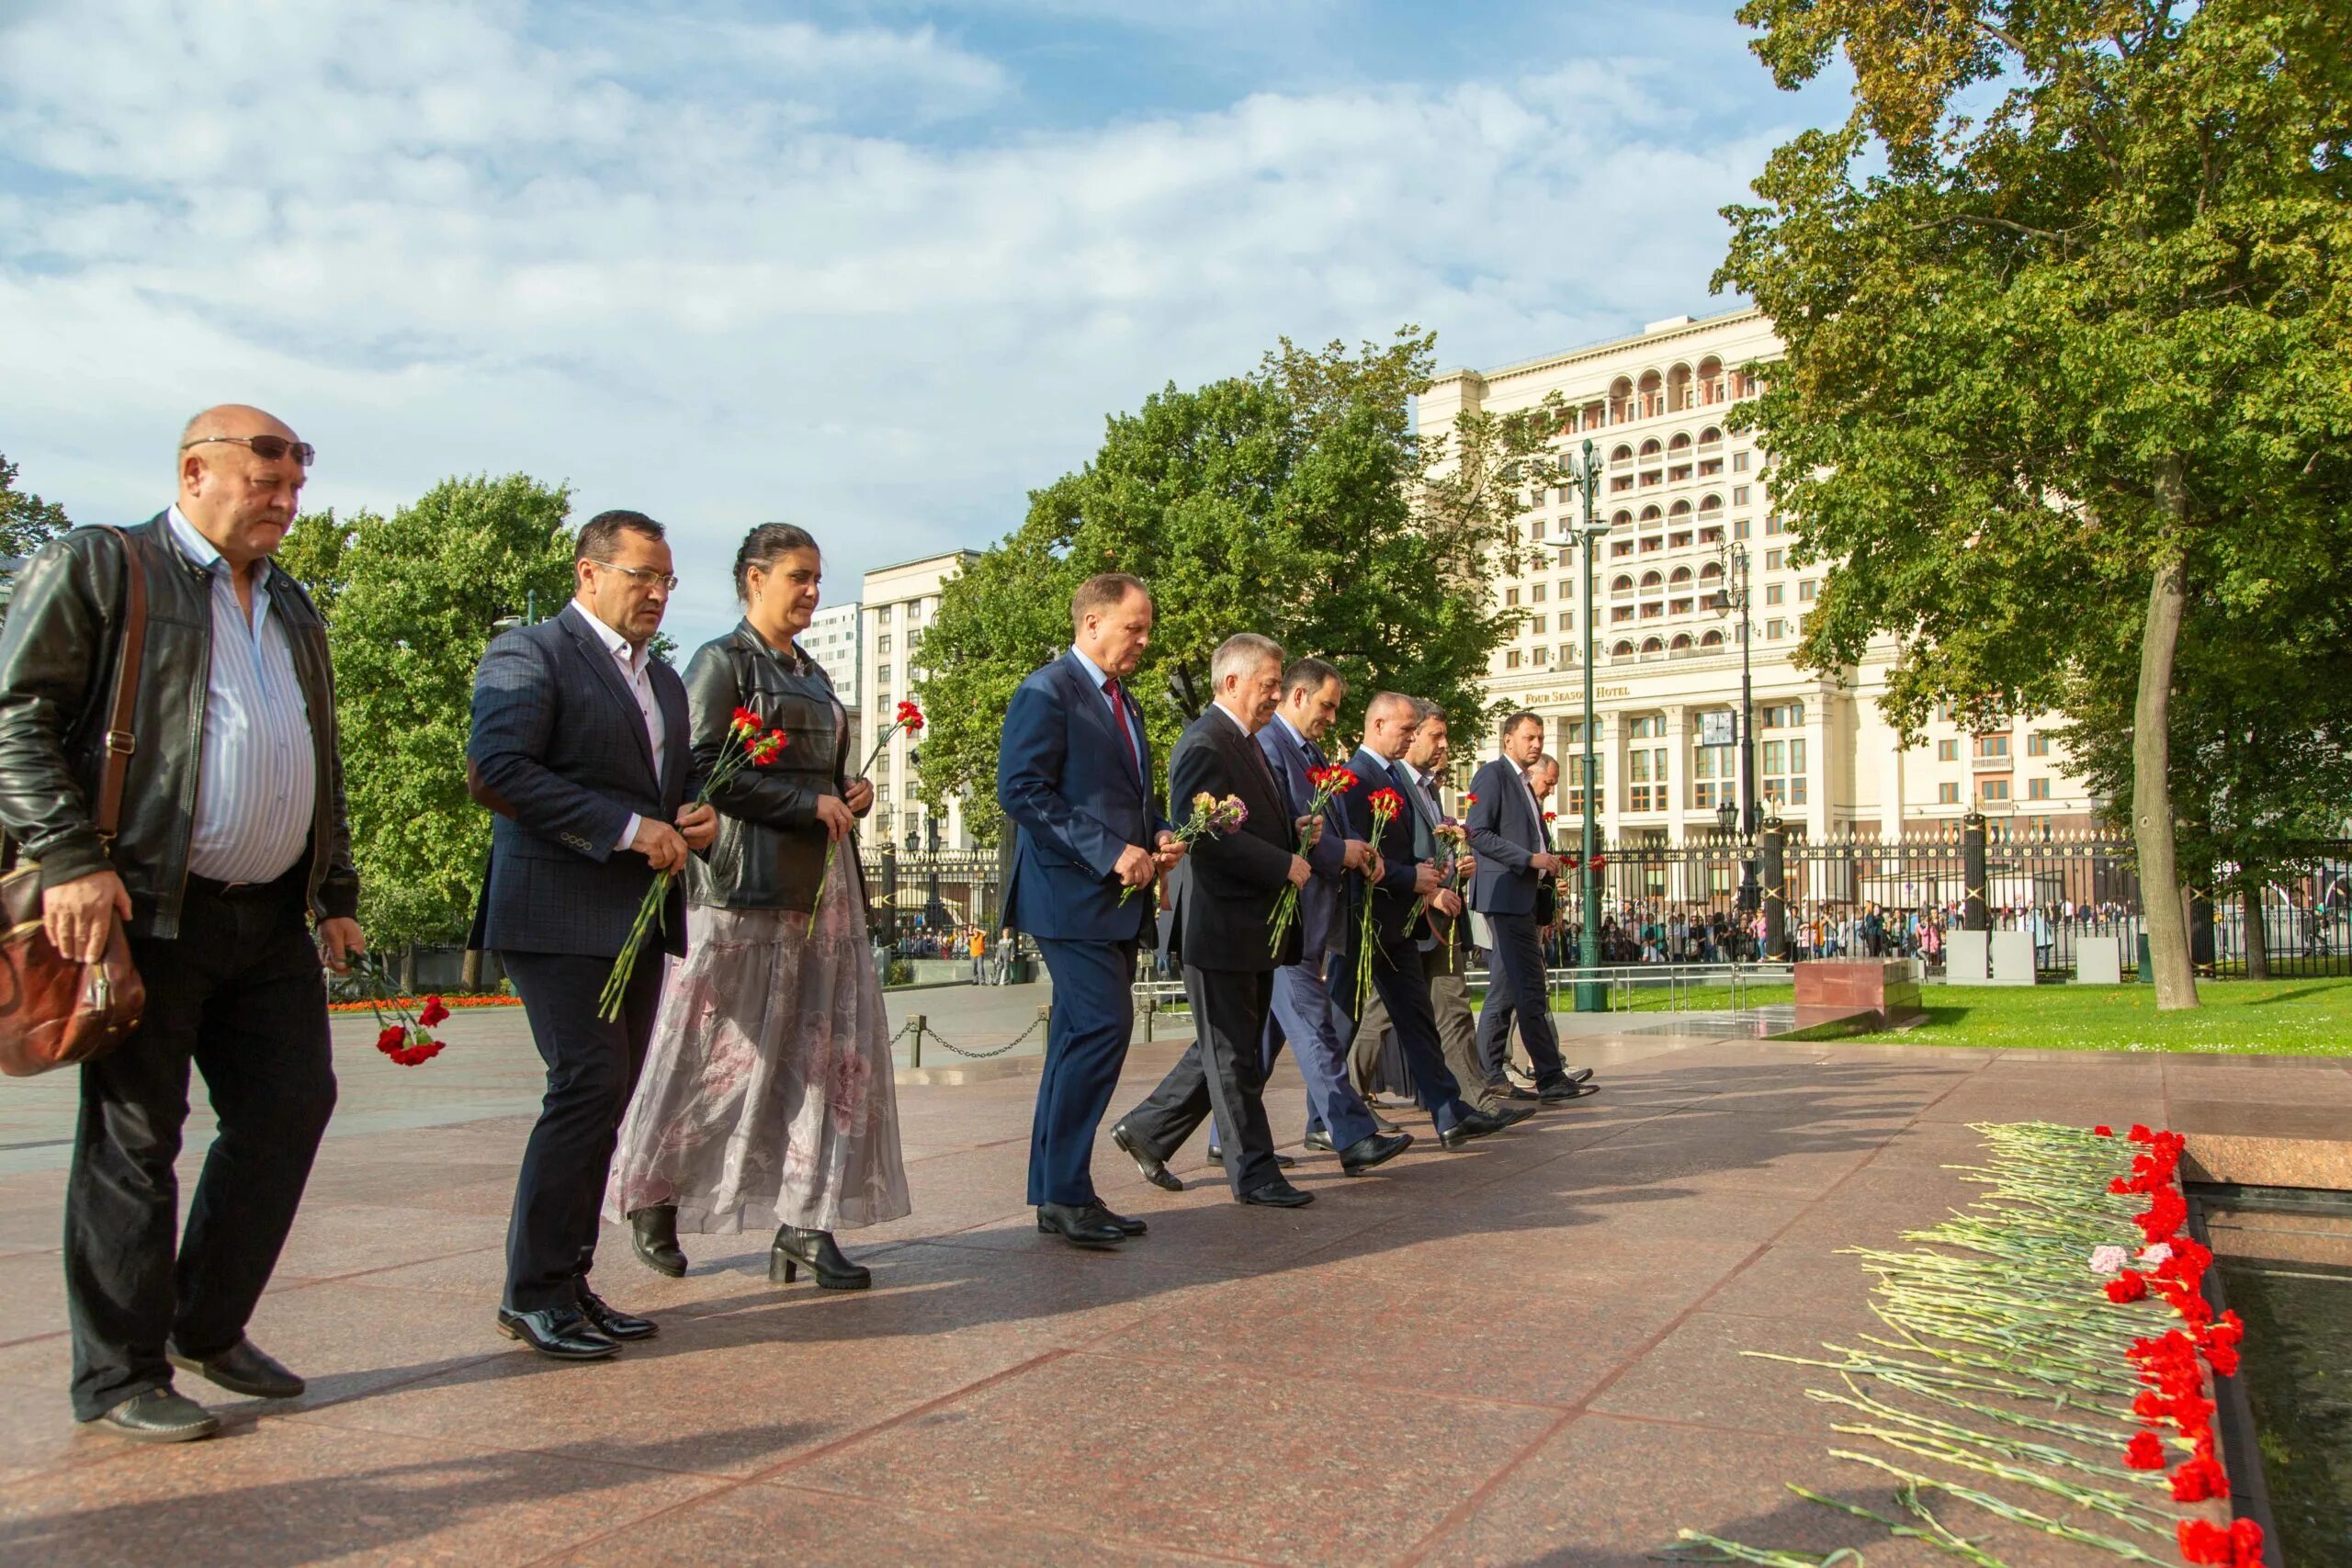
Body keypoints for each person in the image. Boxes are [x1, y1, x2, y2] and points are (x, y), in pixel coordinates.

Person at [0, 407, 362, 1443]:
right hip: (144, 906)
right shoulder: (107, 567)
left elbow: (313, 753)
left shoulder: (290, 602)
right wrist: (69, 857)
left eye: (299, 483)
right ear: (197, 470)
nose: (289, 503)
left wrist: (333, 893)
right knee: (133, 1138)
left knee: (291, 1107)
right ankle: (118, 1377)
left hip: (268, 918)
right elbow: (13, 714)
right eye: (269, 481)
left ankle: (208, 1322)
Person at [605, 524, 909, 1292]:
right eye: (797, 577)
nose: (811, 591)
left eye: (816, 578)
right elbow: (706, 772)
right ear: (753, 579)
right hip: (745, 888)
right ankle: (654, 1192)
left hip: (823, 888)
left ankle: (808, 1222)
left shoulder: (812, 671)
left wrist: (848, 793)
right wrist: (808, 802)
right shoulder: (720, 661)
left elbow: (825, 773)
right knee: (710, 1056)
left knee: (826, 1056)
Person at [468, 510, 716, 1360]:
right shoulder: (532, 653)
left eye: (667, 581)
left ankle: (570, 1282)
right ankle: (530, 1293)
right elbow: (498, 771)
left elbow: (668, 785)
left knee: (608, 1095)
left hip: (638, 917)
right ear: (588, 574)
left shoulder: (667, 682)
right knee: (583, 1084)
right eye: (641, 576)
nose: (656, 594)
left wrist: (691, 816)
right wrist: (623, 827)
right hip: (553, 909)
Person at [1108, 636, 1329, 1208]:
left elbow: (1244, 825)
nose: (1277, 695)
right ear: (1232, 683)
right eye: (1269, 685)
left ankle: (1148, 1130)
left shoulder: (1246, 742)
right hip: (1221, 927)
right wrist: (1284, 863)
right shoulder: (1205, 741)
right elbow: (1201, 834)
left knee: (1229, 1050)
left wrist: (1296, 829)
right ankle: (1253, 1174)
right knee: (1233, 1055)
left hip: (1250, 926)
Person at [998, 573, 1183, 1250]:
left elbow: (1120, 795)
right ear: (1092, 622)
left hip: (1110, 897)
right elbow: (1021, 789)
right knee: (1106, 1025)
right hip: (1066, 894)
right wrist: (1111, 853)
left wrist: (1157, 831)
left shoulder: (1123, 700)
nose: (1144, 639)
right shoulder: (1047, 689)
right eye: (1134, 626)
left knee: (1078, 1040)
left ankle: (1057, 1193)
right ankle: (1068, 1192)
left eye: (1147, 627)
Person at [1332, 694, 1531, 1150]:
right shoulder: (1358, 778)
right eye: (1410, 731)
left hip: (1404, 919)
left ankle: (1450, 1112)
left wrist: (1435, 871)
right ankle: (1326, 1116)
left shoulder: (1395, 778)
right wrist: (1417, 880)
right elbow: (1365, 854)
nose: (1417, 739)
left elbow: (1405, 847)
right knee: (1343, 1022)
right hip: (1374, 920)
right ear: (1380, 724)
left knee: (1420, 1020)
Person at [1351, 702, 1498, 1115]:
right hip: (1404, 917)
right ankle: (1341, 1104)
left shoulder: (1427, 788)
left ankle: (1470, 1105)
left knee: (1450, 1010)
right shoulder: (1383, 779)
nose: (1442, 744)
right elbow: (1385, 853)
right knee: (1379, 1017)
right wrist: (1424, 891)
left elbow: (1429, 852)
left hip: (1435, 918)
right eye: (1433, 735)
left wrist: (1456, 870)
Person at [1467, 712, 1597, 1104]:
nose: (1536, 743)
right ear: (1508, 739)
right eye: (1529, 737)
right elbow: (1477, 832)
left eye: (1539, 737)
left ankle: (1501, 1073)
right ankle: (1543, 1075)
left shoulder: (1523, 783)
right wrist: (1530, 859)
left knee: (1512, 989)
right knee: (1525, 988)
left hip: (1520, 897)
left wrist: (1544, 864)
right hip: (1503, 897)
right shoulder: (1494, 775)